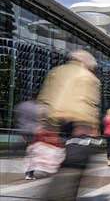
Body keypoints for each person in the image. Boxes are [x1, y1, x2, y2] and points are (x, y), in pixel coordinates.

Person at [37, 49, 101, 200]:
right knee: (74, 165)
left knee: (58, 165)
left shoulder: (56, 72)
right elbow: (86, 103)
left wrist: (45, 124)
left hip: (54, 124)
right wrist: (91, 126)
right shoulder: (89, 77)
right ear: (88, 64)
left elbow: (44, 100)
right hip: (78, 124)